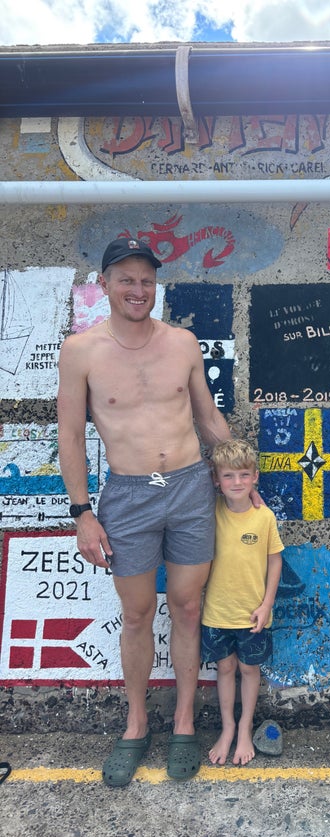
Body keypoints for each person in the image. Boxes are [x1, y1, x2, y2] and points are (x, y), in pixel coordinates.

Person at [57, 236, 248, 787]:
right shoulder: (82, 351)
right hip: (129, 495)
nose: (137, 290)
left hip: (189, 487)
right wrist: (82, 513)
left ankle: (185, 723)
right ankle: (136, 725)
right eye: (126, 279)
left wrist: (238, 476)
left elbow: (208, 417)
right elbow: (69, 435)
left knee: (189, 609)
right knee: (138, 614)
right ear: (106, 284)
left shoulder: (183, 342)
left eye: (146, 280)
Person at [201, 439, 284, 766]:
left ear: (255, 478)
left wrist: (266, 605)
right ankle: (228, 728)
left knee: (250, 670)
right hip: (217, 613)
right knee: (225, 668)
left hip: (253, 614)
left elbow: (275, 562)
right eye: (229, 476)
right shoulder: (212, 510)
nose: (236, 483)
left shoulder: (264, 517)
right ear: (217, 480)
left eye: (244, 476)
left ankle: (246, 728)